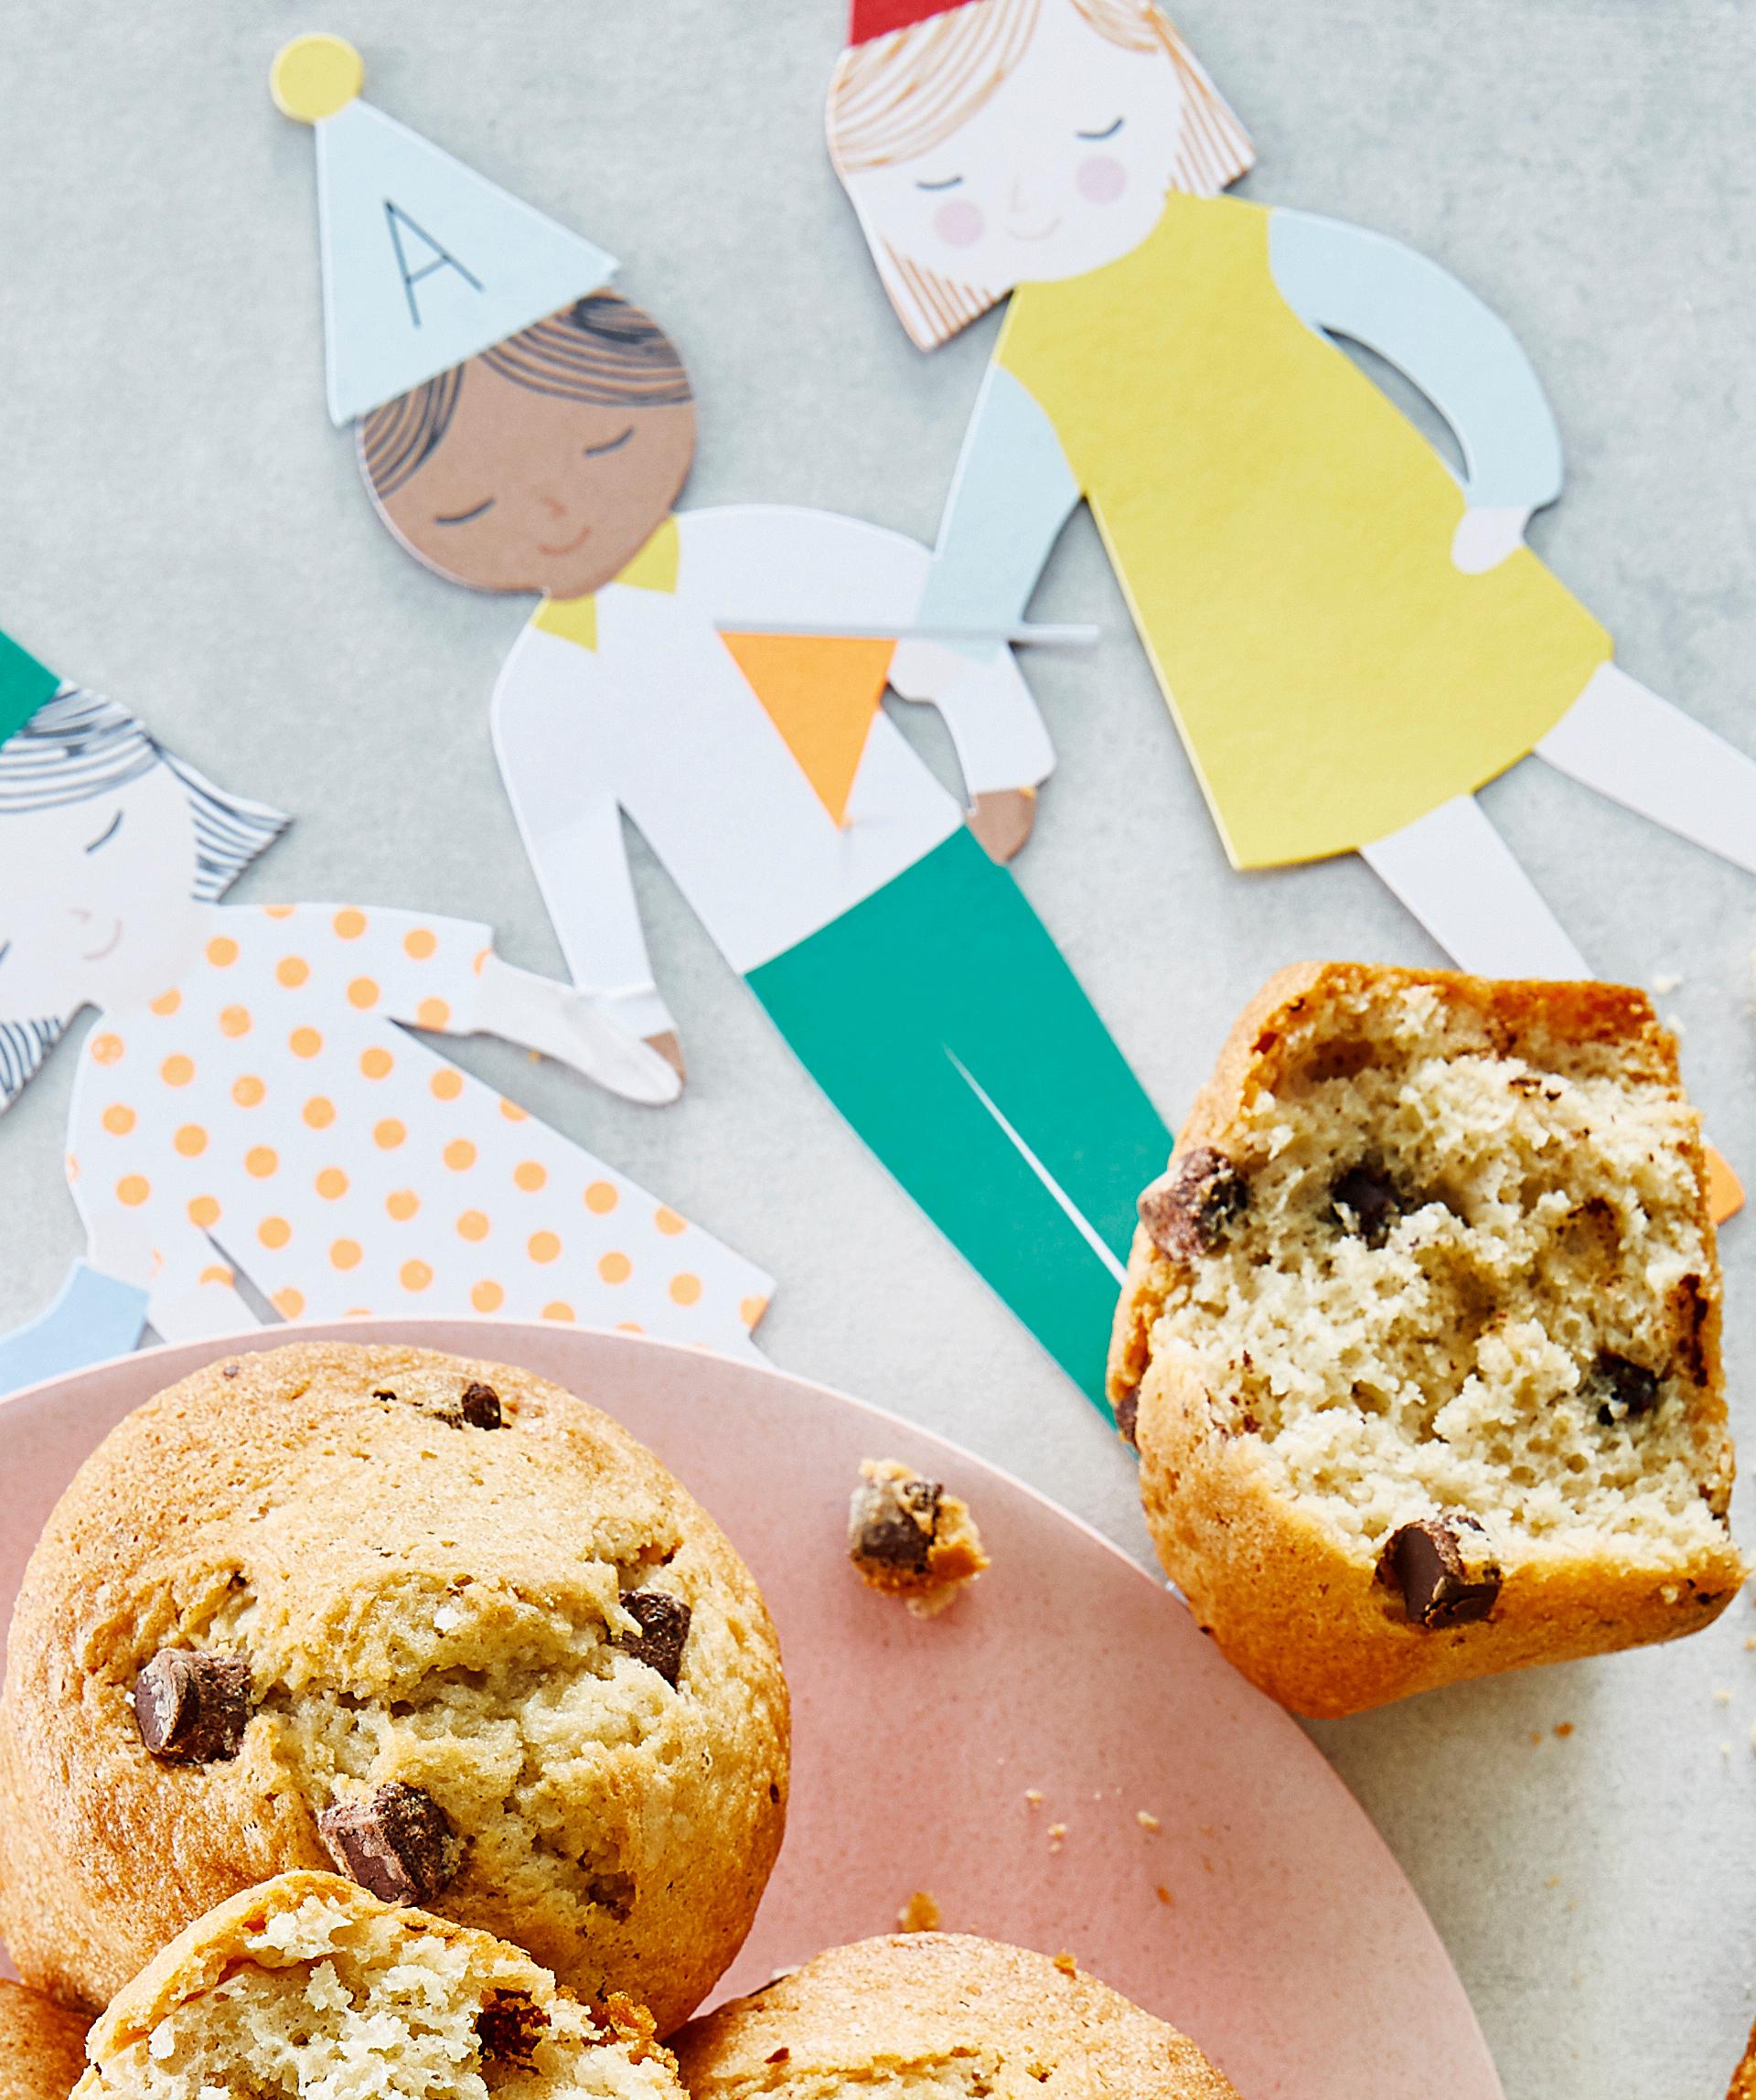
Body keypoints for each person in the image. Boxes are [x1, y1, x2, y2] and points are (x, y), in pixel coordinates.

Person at [826, 0, 1756, 988]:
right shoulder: (1041, 363)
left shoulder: (1244, 250)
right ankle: (1596, 1042)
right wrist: (956, 635)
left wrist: (1509, 480)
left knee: (1570, 711)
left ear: (1158, 90)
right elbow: (1002, 514)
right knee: (1403, 820)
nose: (1032, 207)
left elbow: (1430, 322)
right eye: (951, 192)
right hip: (1263, 655)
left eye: (1089, 136)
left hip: (1408, 562)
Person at [356, 286, 1169, 1401]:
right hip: (796, 964)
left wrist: (999, 762)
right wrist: (631, 1004)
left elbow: (933, 621)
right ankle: (1134, 1398)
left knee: (1096, 1118)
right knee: (966, 1181)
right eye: (481, 506)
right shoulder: (540, 695)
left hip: (935, 878)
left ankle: (1249, 1316)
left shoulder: (762, 556)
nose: (552, 511)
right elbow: (577, 853)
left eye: (596, 446)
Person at [0, 660, 770, 1395]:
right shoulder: (115, 1111)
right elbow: (177, 1282)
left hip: (511, 1199)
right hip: (378, 1312)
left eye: (102, 837)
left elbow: (447, 979)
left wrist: (577, 1026)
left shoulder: (276, 950)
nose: (80, 915)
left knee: (672, 1332)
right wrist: (267, 1403)